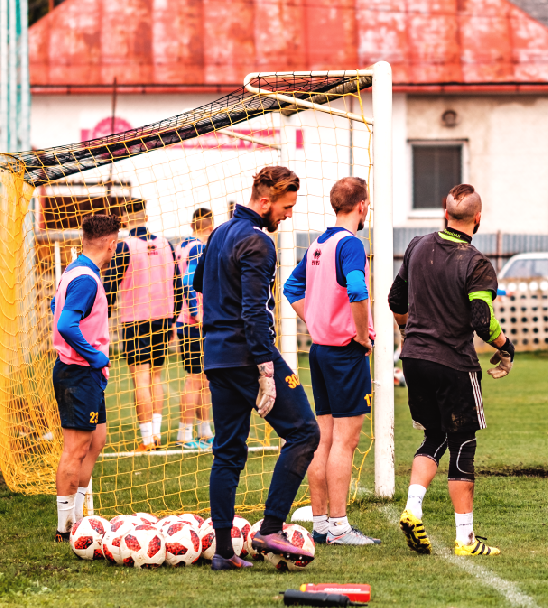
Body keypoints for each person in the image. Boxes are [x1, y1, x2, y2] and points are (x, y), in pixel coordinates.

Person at [194, 165, 320, 571]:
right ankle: (270, 526)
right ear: (264, 201)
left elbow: (199, 282)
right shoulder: (259, 243)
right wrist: (266, 370)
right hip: (248, 355)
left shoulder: (218, 234)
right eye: (285, 207)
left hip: (215, 356)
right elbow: (253, 312)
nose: (288, 215)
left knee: (227, 453)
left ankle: (224, 554)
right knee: (304, 431)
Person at [388, 183, 516, 557]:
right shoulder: (475, 263)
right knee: (464, 444)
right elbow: (481, 319)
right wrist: (505, 348)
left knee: (435, 437)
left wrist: (407, 335)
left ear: (445, 215)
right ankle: (465, 540)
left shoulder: (416, 247)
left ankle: (413, 510)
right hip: (453, 365)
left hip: (414, 359)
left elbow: (397, 300)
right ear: (478, 218)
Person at [284, 177, 380, 546]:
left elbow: (292, 288)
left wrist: (317, 320)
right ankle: (339, 526)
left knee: (323, 440)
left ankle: (322, 523)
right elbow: (357, 289)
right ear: (362, 205)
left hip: (320, 352)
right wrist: (359, 333)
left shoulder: (317, 245)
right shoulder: (351, 244)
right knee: (345, 442)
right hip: (344, 353)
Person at [52, 214, 121, 541]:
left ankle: (79, 522)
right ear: (111, 244)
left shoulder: (76, 270)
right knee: (76, 448)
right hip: (78, 372)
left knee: (95, 442)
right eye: (116, 245)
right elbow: (66, 323)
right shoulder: (86, 279)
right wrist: (95, 355)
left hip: (85, 374)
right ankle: (64, 529)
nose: (115, 250)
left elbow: (56, 304)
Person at [103, 202, 183, 451]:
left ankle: (147, 439)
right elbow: (177, 285)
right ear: (146, 216)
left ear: (125, 219)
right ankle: (156, 434)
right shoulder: (166, 245)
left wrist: (101, 315)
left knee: (139, 378)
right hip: (163, 318)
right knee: (156, 376)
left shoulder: (125, 246)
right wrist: (173, 318)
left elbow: (110, 286)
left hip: (135, 320)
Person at [174, 208, 215, 450]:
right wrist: (195, 312)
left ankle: (204, 431)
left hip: (184, 321)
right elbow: (188, 282)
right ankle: (185, 434)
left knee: (204, 379)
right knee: (195, 379)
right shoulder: (199, 247)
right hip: (193, 323)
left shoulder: (181, 247)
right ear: (210, 227)